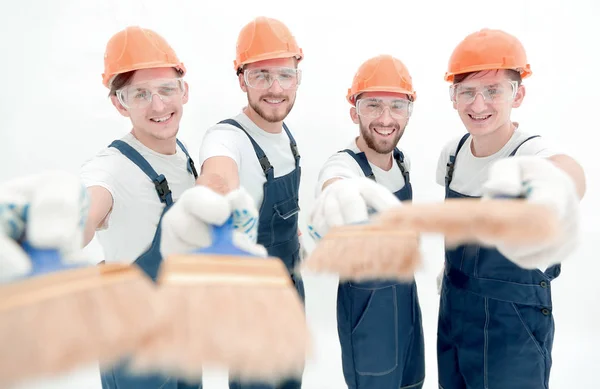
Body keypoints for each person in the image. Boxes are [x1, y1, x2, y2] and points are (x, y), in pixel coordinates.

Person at [78, 25, 259, 389]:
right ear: (119, 102)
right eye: (140, 94)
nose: (158, 105)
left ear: (184, 90)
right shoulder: (111, 168)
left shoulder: (185, 158)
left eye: (165, 89)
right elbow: (82, 210)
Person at [435, 28, 585, 389]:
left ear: (518, 94)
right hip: (454, 312)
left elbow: (570, 173)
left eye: (493, 90)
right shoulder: (452, 155)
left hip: (512, 324)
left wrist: (549, 188)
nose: (478, 104)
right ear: (453, 97)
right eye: (467, 92)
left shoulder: (531, 152)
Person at [196, 16, 305, 389]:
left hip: (291, 290)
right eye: (261, 75)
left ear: (298, 75)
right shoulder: (227, 138)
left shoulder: (285, 134)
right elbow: (218, 177)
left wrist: (297, 238)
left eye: (284, 75)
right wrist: (214, 203)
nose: (275, 88)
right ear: (241, 78)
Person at [307, 54, 425, 389]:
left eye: (396, 106)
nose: (386, 118)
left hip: (407, 306)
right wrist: (338, 196)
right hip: (369, 316)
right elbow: (334, 186)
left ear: (409, 112)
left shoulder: (401, 163)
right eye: (373, 105)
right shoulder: (343, 167)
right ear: (353, 110)